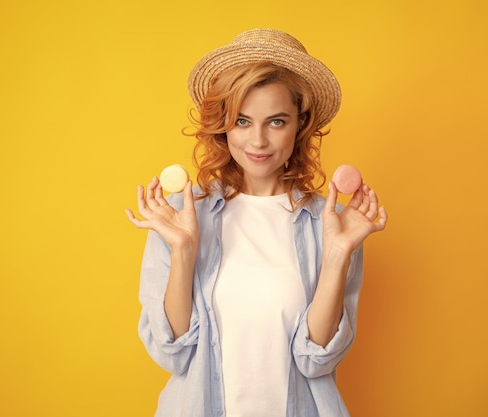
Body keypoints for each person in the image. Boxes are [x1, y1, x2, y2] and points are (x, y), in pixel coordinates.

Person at [126, 28, 387, 417]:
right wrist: (182, 250)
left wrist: (338, 256)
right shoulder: (183, 216)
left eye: (276, 121)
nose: (258, 141)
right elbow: (173, 353)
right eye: (243, 121)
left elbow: (317, 361)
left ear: (300, 124)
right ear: (223, 125)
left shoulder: (329, 224)